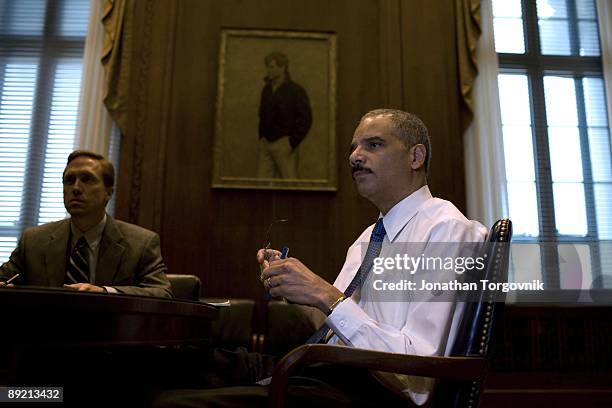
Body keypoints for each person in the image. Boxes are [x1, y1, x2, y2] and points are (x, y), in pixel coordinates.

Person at [154, 109, 486, 407]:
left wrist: (323, 294)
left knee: (173, 404)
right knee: (171, 362)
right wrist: (297, 292)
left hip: (373, 392)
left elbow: (417, 370)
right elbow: (335, 324)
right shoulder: (368, 238)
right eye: (353, 148)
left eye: (373, 145)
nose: (355, 156)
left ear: (416, 156)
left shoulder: (448, 231)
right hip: (324, 368)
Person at [0, 150, 172, 298]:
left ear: (108, 192)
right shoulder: (34, 241)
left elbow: (161, 292)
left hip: (112, 332)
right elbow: (5, 278)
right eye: (69, 180)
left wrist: (105, 292)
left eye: (87, 179)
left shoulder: (141, 243)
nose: (76, 188)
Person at [257, 51, 312, 179]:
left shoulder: (295, 91)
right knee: (260, 186)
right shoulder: (266, 90)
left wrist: (291, 142)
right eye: (267, 67)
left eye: (271, 67)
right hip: (265, 145)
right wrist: (262, 138)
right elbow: (262, 114)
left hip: (284, 145)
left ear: (282, 68)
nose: (268, 70)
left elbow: (306, 119)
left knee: (290, 185)